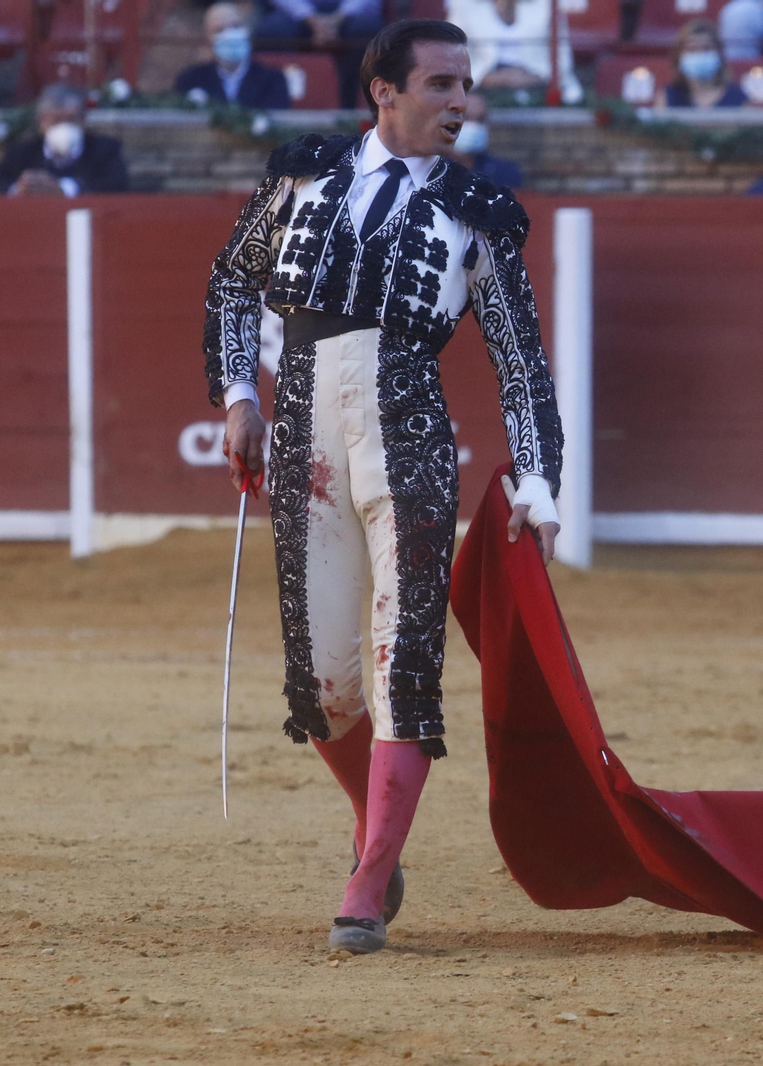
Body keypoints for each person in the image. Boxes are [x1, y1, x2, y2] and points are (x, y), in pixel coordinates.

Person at [206, 19, 562, 956]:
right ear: (384, 91)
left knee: (405, 660)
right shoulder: (302, 176)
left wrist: (541, 485)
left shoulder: (478, 215)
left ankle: (368, 876)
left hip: (408, 441)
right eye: (441, 83)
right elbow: (231, 286)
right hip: (302, 440)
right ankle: (379, 831)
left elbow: (522, 364)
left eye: (466, 85)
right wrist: (241, 394)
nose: (459, 102)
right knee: (321, 685)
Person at [0, 83, 130, 197]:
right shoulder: (24, 152)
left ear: (83, 120)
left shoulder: (103, 149)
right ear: (41, 123)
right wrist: (19, 189)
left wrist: (64, 189)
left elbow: (117, 184)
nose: (64, 126)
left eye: (71, 119)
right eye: (55, 120)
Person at [254, 0, 385, 109]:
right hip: (297, 12)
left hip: (350, 12)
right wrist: (310, 17)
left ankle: (354, 105)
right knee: (273, 30)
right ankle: (280, 105)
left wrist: (338, 18)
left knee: (367, 32)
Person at [445, 0, 582, 103]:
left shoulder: (547, 5)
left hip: (538, 85)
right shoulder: (464, 6)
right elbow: (452, 59)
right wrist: (490, 79)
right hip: (483, 90)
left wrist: (534, 78)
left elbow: (564, 60)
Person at [175, 2, 293, 109]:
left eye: (235, 26)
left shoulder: (273, 81)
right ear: (207, 38)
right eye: (220, 30)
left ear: (247, 28)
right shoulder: (190, 81)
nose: (230, 35)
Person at [657, 20, 746, 109]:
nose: (700, 53)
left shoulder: (739, 98)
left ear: (719, 53)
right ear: (679, 54)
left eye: (706, 48)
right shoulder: (667, 97)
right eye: (692, 49)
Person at [445, 92, 523, 187]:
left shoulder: (505, 172)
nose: (474, 125)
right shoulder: (430, 171)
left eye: (480, 119)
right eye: (466, 118)